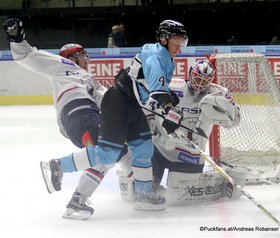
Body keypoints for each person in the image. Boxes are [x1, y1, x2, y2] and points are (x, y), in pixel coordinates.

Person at [35, 19, 187, 217]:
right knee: (107, 153)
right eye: (176, 40)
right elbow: (157, 90)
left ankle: (143, 196)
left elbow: (151, 87)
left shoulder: (164, 56)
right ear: (164, 38)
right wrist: (168, 107)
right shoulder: (157, 57)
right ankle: (56, 166)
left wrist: (167, 100)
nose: (180, 46)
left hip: (130, 105)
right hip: (118, 104)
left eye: (182, 40)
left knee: (143, 148)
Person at [2, 18, 123, 219]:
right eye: (82, 54)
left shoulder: (89, 80)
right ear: (72, 56)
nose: (86, 58)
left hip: (87, 116)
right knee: (109, 149)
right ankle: (57, 165)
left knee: (109, 153)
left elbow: (108, 102)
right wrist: (17, 38)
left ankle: (77, 202)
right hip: (77, 113)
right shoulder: (62, 64)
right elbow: (28, 56)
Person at [117, 58, 241, 204]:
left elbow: (234, 121)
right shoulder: (173, 86)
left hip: (191, 156)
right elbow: (148, 103)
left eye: (204, 81)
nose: (200, 84)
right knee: (142, 192)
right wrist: (151, 121)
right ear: (190, 74)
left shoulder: (219, 93)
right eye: (197, 79)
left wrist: (228, 106)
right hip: (160, 149)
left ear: (211, 81)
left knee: (179, 200)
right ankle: (135, 177)